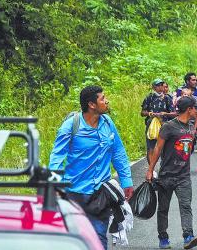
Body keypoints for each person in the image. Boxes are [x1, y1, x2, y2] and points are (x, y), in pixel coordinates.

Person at [49, 85, 134, 249]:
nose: (106, 101)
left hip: (100, 193)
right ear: (92, 104)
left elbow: (118, 152)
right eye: (102, 98)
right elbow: (56, 159)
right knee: (75, 239)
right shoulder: (70, 127)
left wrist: (126, 181)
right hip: (74, 193)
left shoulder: (108, 123)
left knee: (99, 238)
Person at [145, 96, 197, 249]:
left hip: (184, 176)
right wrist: (150, 170)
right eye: (195, 108)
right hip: (166, 176)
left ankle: (188, 236)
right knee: (163, 209)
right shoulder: (168, 127)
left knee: (185, 206)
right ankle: (163, 238)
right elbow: (157, 148)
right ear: (189, 109)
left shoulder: (191, 126)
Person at [141, 79, 176, 166]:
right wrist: (150, 113)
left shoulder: (167, 98)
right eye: (158, 85)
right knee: (151, 147)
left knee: (165, 147)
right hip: (151, 125)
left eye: (161, 85)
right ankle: (151, 169)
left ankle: (164, 168)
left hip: (164, 125)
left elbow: (174, 113)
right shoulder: (149, 97)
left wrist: (165, 113)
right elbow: (142, 112)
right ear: (154, 87)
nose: (160, 87)